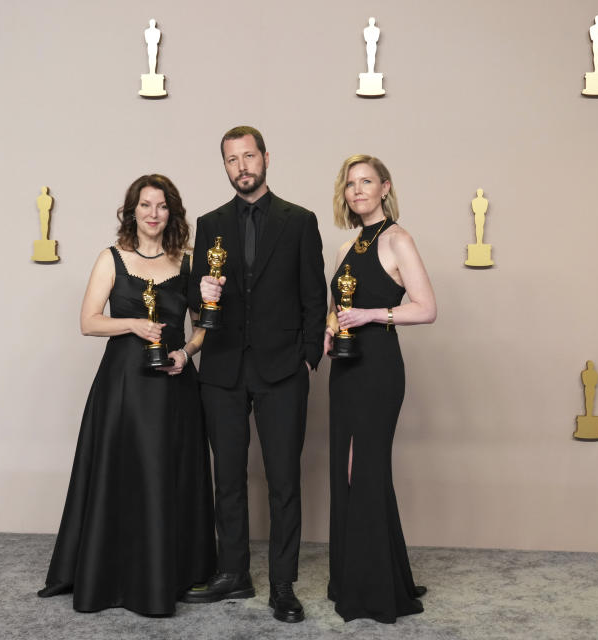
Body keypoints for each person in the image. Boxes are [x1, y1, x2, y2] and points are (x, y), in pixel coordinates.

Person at [37, 174, 216, 616]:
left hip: (174, 384)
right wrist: (133, 325)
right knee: (124, 474)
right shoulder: (111, 258)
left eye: (161, 206)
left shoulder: (189, 262)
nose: (153, 214)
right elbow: (88, 321)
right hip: (124, 386)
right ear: (131, 211)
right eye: (145, 205)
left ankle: (172, 574)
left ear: (171, 213)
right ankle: (114, 575)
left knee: (169, 473)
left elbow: (205, 326)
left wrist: (187, 352)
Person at [184, 126, 327, 623]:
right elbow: (201, 300)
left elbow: (314, 294)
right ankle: (234, 574)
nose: (242, 166)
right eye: (231, 159)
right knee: (227, 477)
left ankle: (283, 583)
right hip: (222, 368)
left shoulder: (300, 221)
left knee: (284, 480)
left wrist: (310, 355)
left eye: (249, 156)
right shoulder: (209, 224)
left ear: (266, 158)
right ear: (224, 166)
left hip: (283, 369)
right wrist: (201, 297)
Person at [324, 155, 437, 623]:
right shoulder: (345, 247)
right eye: (350, 184)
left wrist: (371, 315)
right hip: (345, 368)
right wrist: (331, 327)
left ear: (385, 188)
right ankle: (368, 573)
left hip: (379, 368)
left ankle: (374, 589)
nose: (358, 191)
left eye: (366, 182)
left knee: (363, 470)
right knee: (345, 471)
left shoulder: (398, 239)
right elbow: (336, 307)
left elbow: (426, 308)